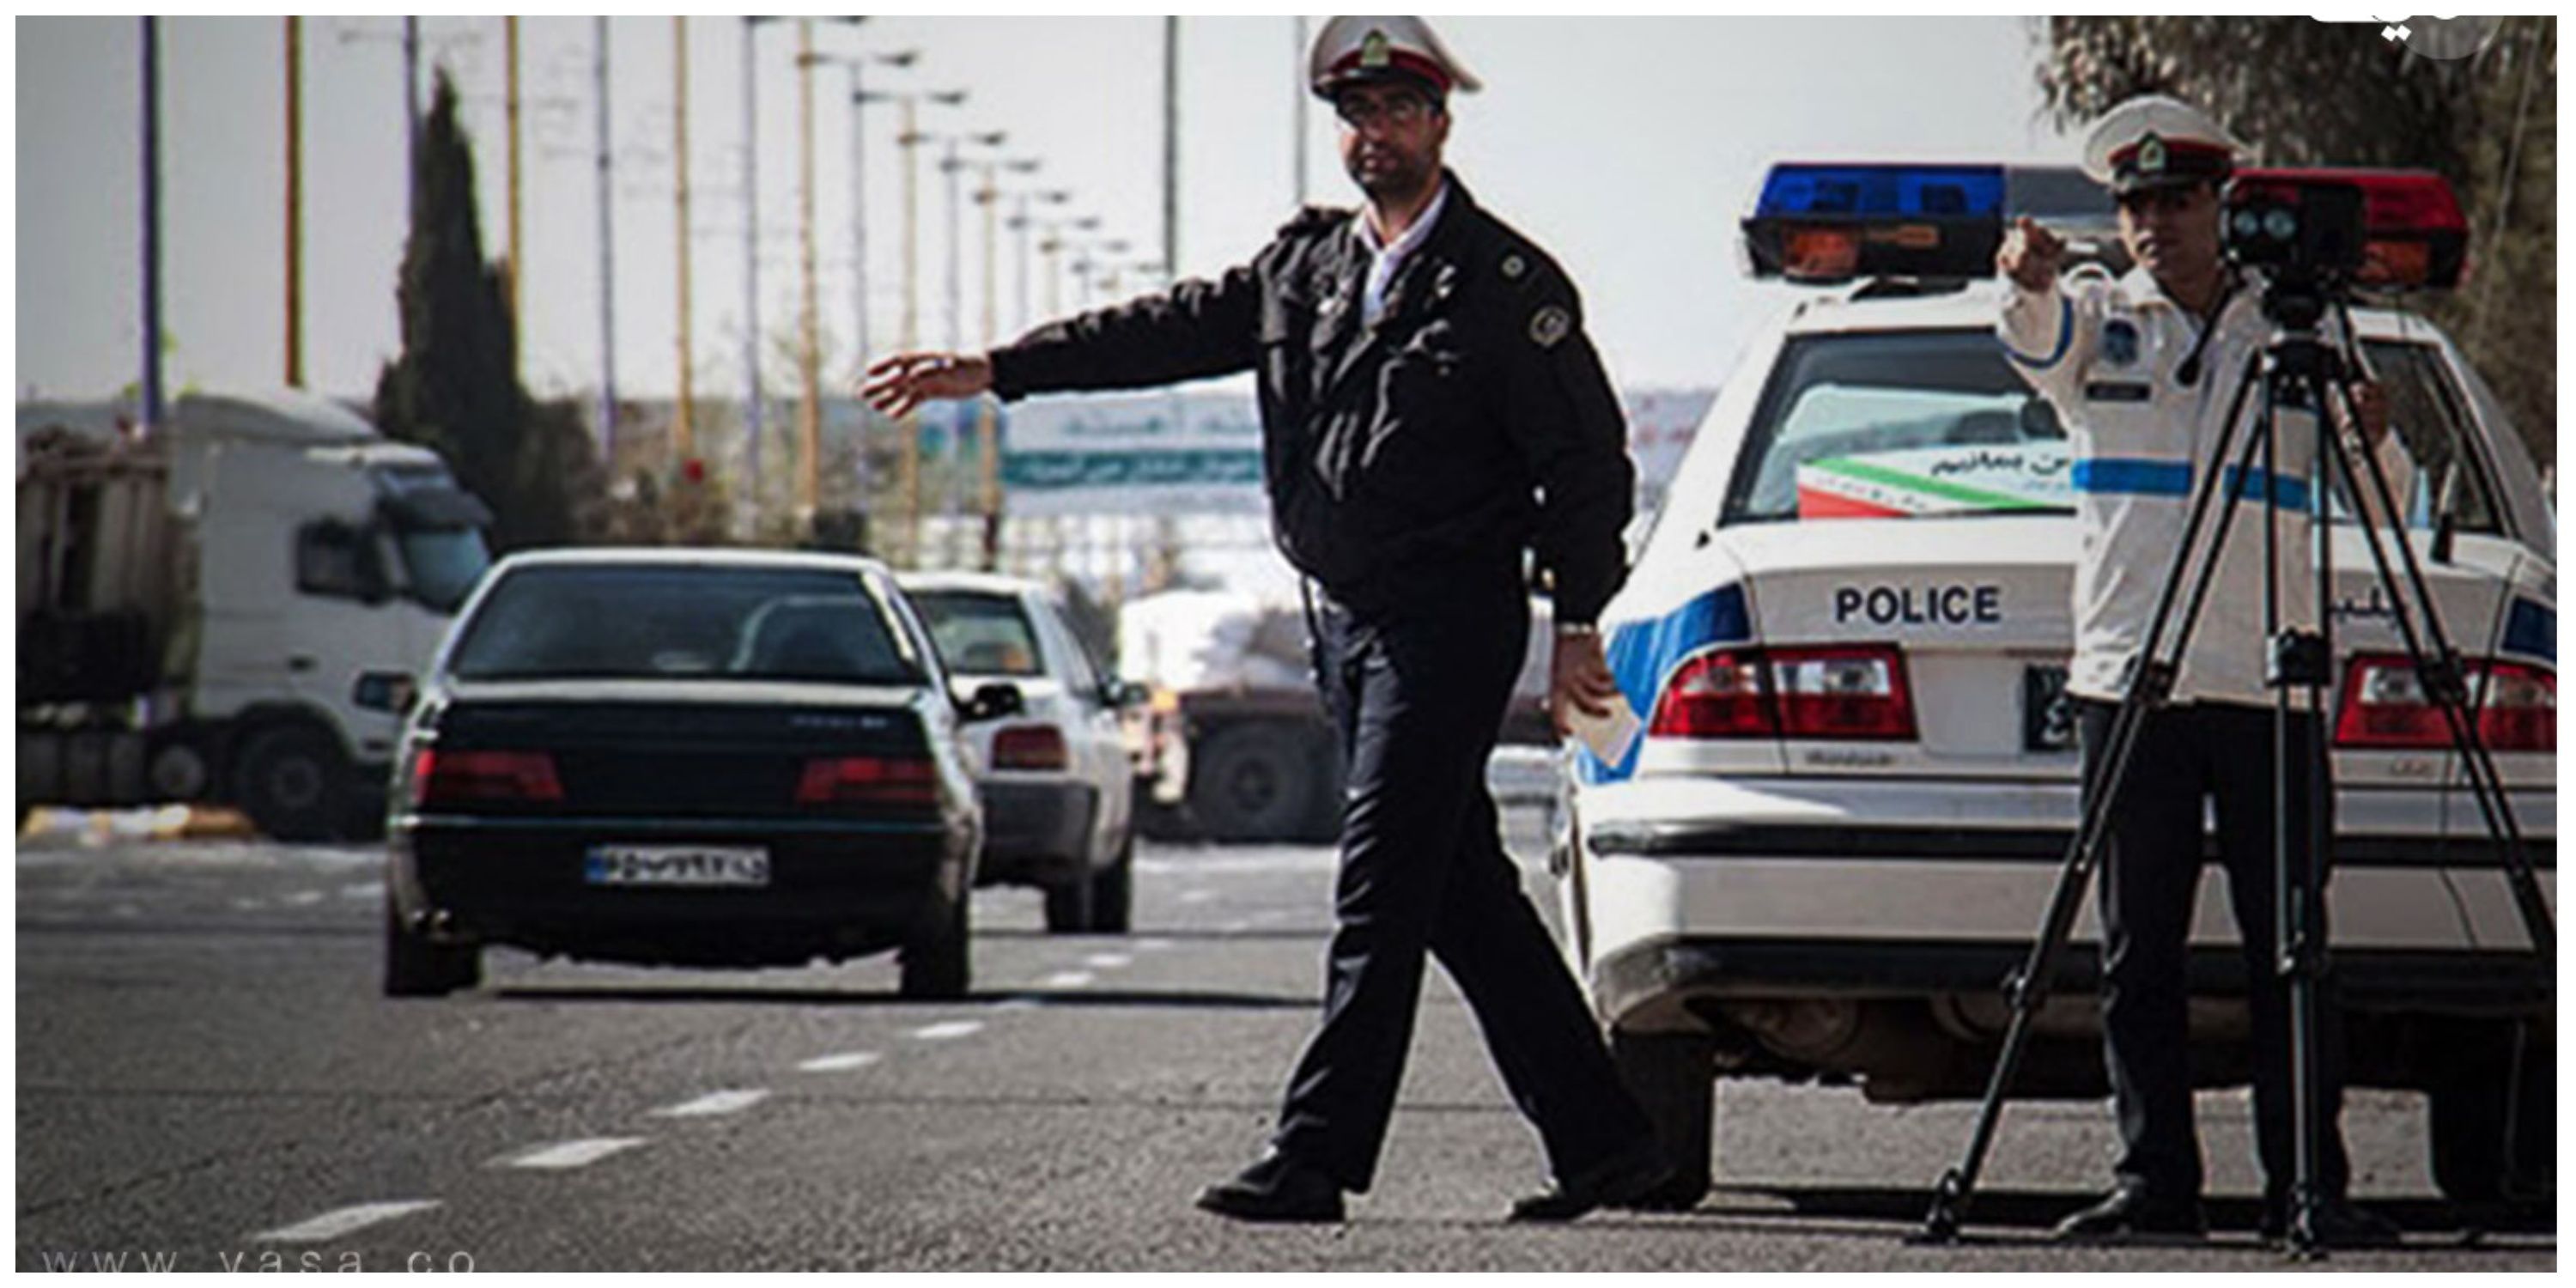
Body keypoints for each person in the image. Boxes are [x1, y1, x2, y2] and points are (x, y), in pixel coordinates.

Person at [862, 16, 1668, 1225]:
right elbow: (1161, 332)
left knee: (1380, 887)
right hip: (1344, 627)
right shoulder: (1307, 270)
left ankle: (1316, 1158)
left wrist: (1578, 626)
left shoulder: (1509, 288)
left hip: (1448, 622)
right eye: (1355, 117)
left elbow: (1589, 469)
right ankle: (1610, 1144)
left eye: (1397, 113)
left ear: (1442, 122)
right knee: (1460, 896)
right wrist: (996, 368)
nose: (1373, 137)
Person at [1996, 94, 2407, 1248]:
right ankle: (2155, 1184)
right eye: (2135, 203)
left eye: (2176, 200)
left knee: (2295, 949)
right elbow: (2030, 343)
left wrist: (2370, 429)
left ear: (2220, 206)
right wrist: (2024, 277)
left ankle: (2307, 1188)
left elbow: (2387, 500)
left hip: (2270, 684)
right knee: (2139, 958)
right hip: (2133, 681)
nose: (2154, 222)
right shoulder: (2092, 320)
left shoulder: (2296, 329)